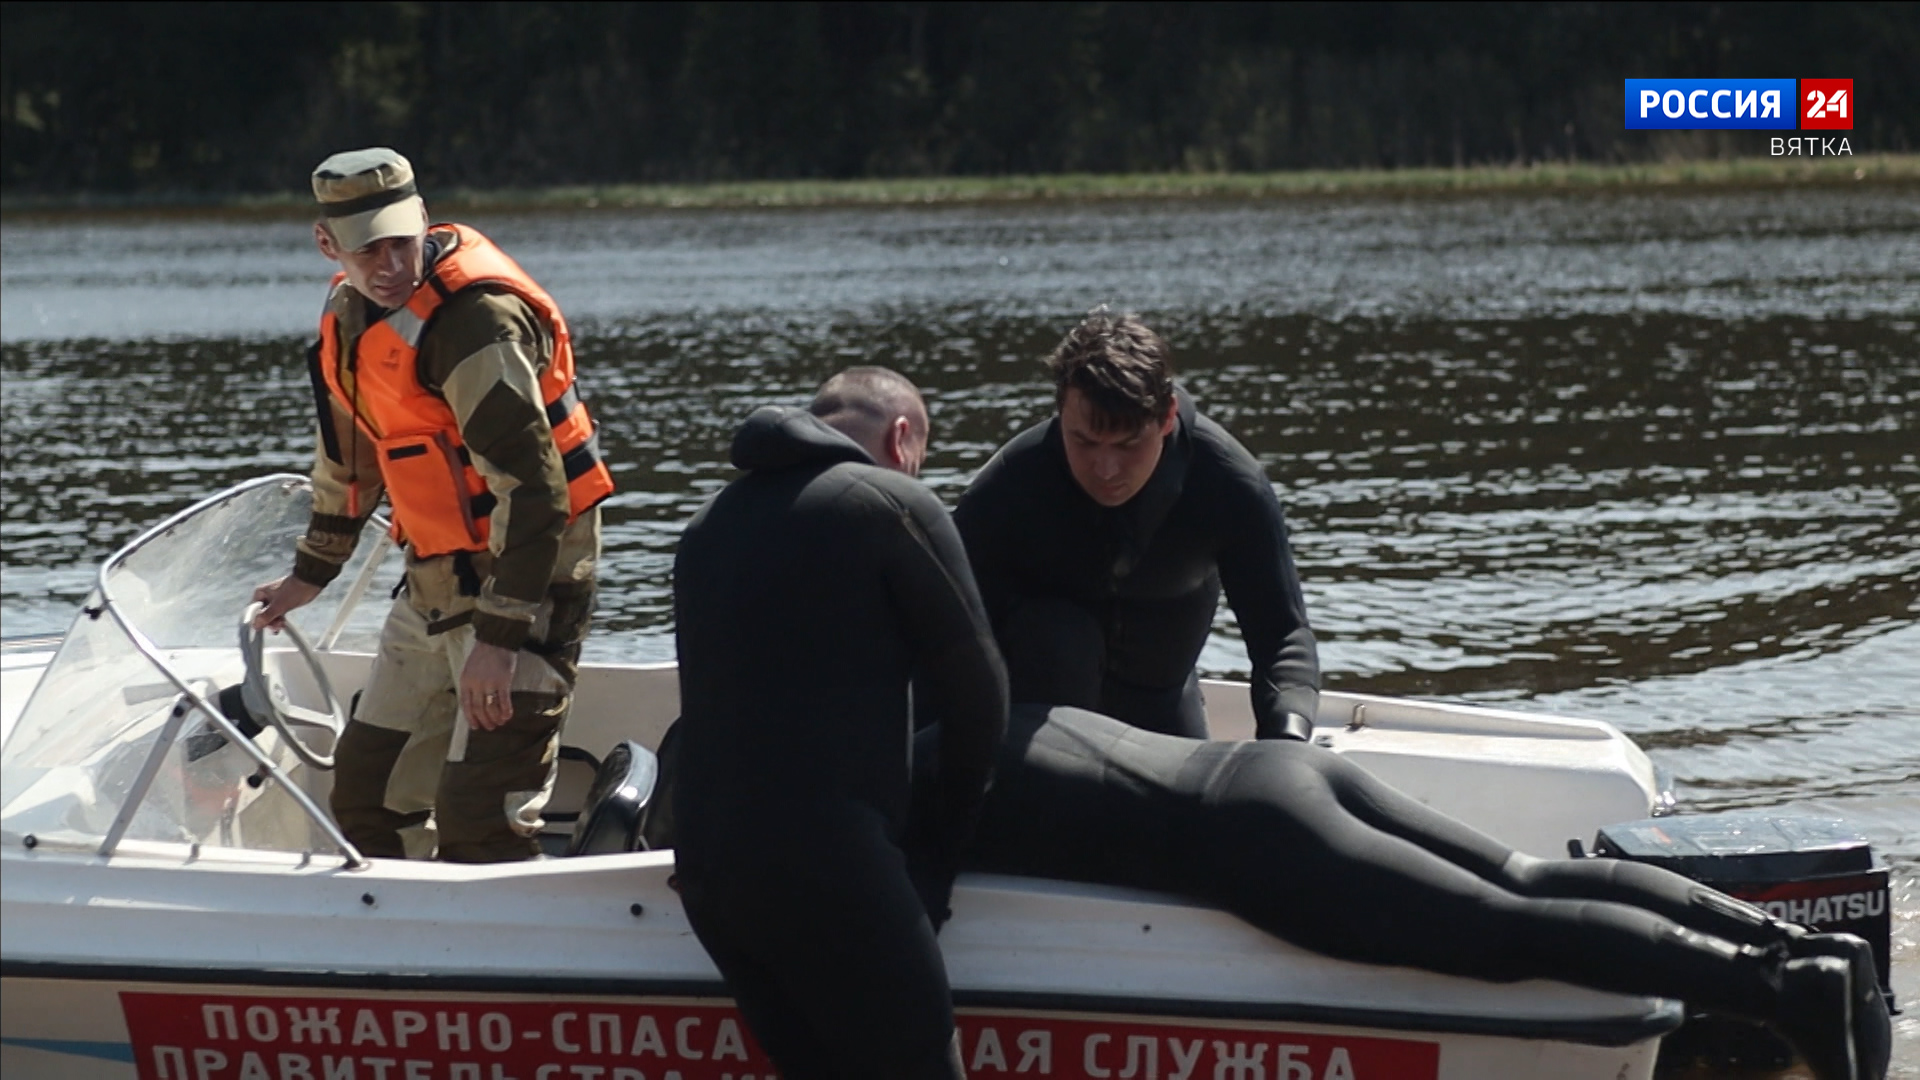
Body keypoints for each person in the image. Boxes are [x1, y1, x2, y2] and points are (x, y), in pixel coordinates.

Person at [915, 702, 1891, 1080]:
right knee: (1525, 876)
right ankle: (1798, 949)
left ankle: (1775, 992)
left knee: (1503, 931)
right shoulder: (972, 700)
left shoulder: (889, 781)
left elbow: (884, 914)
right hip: (1271, 771)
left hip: (1250, 842)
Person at [250, 147, 614, 863]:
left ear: (423, 218)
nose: (389, 265)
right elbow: (347, 461)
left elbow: (536, 495)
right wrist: (311, 574)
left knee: (482, 821)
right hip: (436, 574)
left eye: (400, 241)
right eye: (366, 250)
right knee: (366, 797)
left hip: (529, 575)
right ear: (329, 245)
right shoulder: (349, 319)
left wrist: (499, 639)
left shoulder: (476, 323)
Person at [670, 368, 1009, 1080]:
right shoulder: (893, 505)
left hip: (711, 878)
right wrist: (938, 857)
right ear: (901, 436)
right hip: (831, 868)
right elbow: (981, 696)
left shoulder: (708, 527)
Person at [953, 310, 1317, 741]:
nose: (1105, 469)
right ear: (1059, 414)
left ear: (1166, 418)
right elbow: (940, 635)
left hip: (1162, 709)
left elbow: (1282, 635)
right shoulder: (1012, 484)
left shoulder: (1227, 482)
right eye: (1084, 441)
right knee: (1059, 634)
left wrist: (1287, 740)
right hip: (1039, 727)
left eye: (1128, 444)